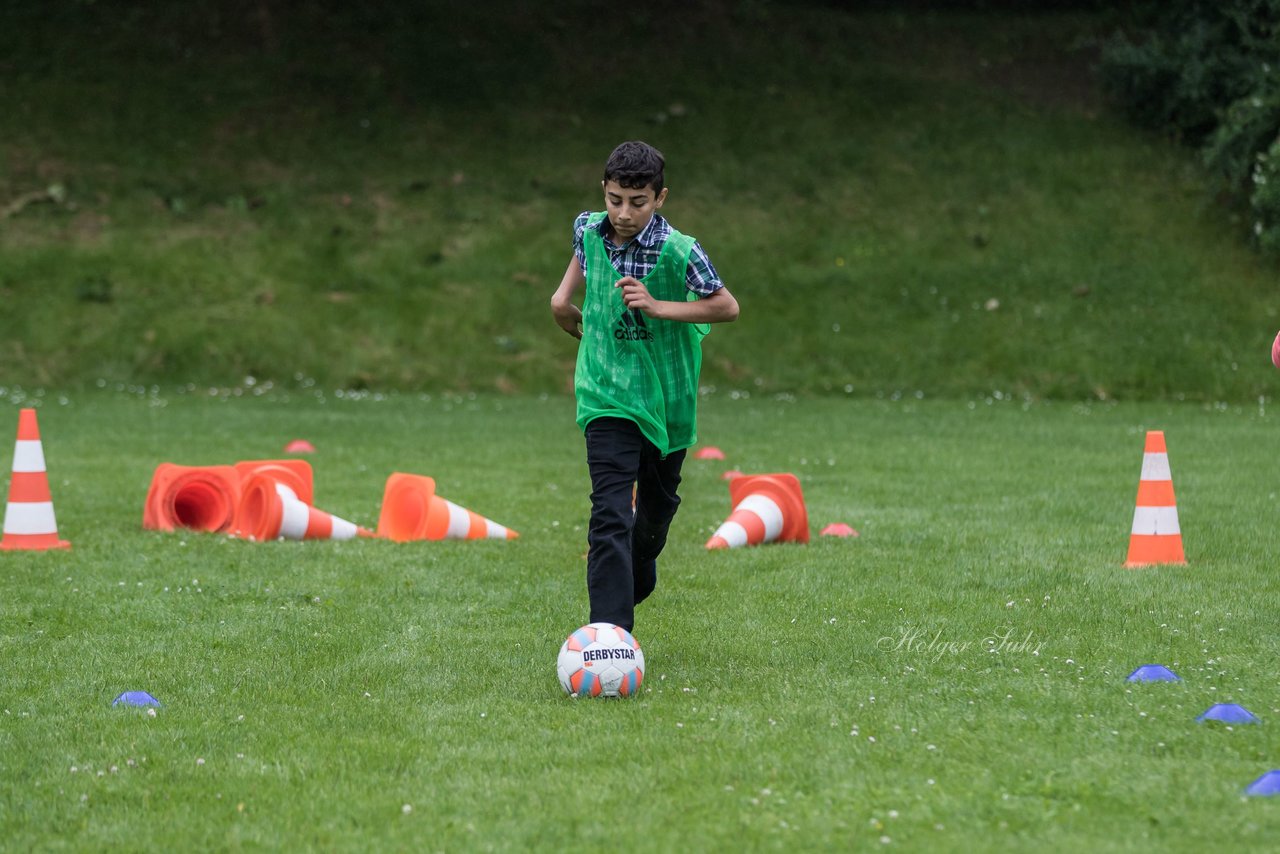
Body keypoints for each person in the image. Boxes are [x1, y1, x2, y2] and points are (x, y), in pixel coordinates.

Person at [550, 140, 739, 633]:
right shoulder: (588, 228)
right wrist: (561, 298)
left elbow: (726, 306)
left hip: (667, 403)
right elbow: (582, 257)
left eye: (638, 202)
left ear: (660, 198)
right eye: (615, 200)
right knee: (609, 512)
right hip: (605, 392)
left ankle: (640, 559)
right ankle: (609, 636)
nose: (624, 213)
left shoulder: (681, 250)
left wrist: (660, 307)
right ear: (604, 192)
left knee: (650, 524)